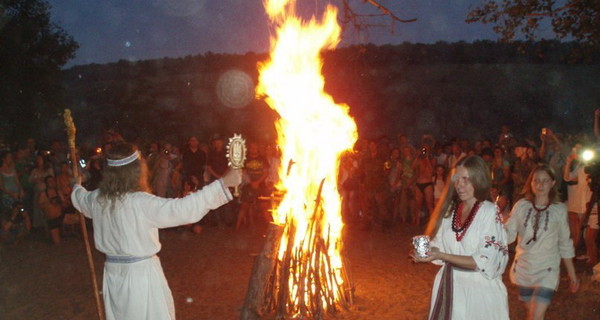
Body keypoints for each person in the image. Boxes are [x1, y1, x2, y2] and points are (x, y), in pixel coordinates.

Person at [71, 142, 241, 320]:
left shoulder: (97, 199)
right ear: (136, 170)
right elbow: (182, 210)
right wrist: (223, 183)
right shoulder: (140, 202)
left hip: (113, 275)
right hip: (140, 277)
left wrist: (76, 185)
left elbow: (79, 198)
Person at [413, 155, 509, 320]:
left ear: (478, 179)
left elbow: (484, 260)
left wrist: (442, 256)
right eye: (457, 179)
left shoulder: (489, 211)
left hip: (480, 290)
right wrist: (426, 253)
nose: (460, 185)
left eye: (466, 179)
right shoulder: (450, 211)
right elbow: (440, 246)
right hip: (452, 287)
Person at [505, 164, 579, 320]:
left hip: (547, 269)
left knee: (535, 316)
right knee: (530, 312)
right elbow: (508, 236)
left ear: (552, 183)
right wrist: (498, 224)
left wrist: (572, 275)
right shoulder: (521, 206)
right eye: (536, 180)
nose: (540, 185)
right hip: (524, 268)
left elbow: (565, 244)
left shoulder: (558, 210)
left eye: (545, 181)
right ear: (530, 183)